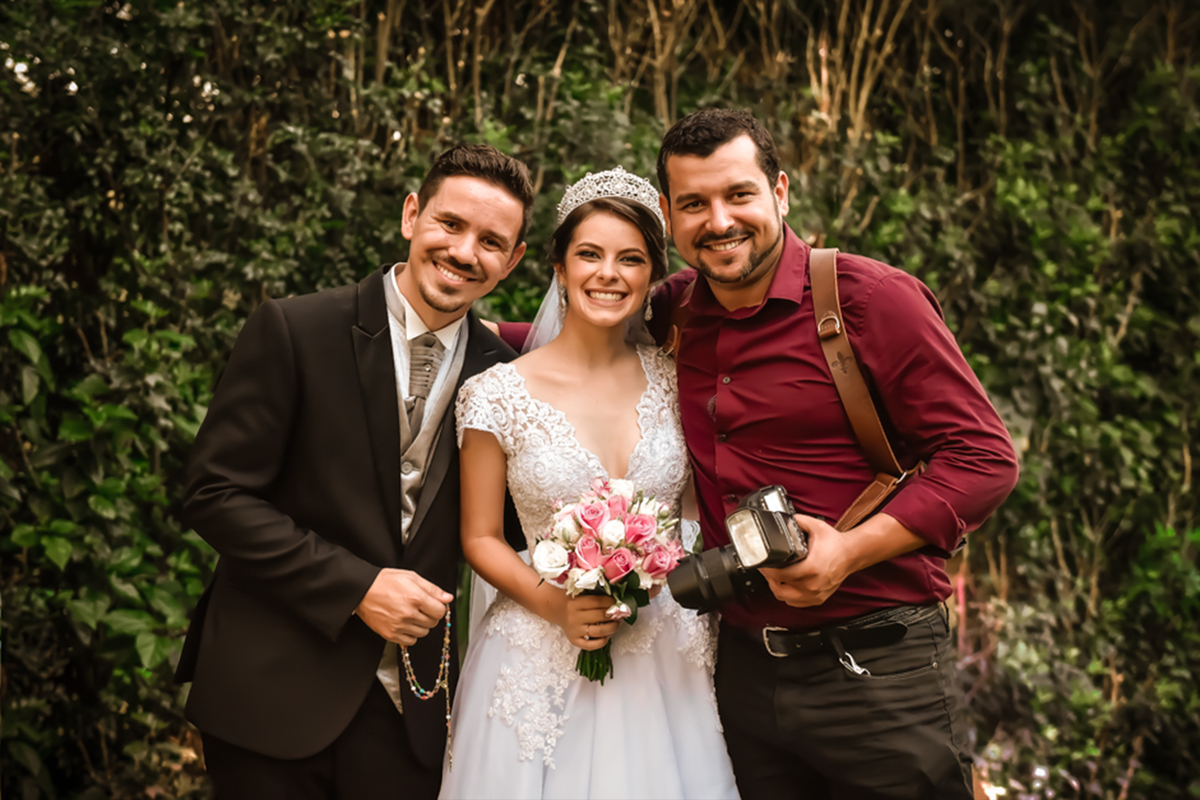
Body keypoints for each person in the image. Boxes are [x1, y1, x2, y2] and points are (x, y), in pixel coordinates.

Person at [644, 108, 1021, 799]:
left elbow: (984, 458)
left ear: (780, 192)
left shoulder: (872, 301)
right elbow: (568, 343)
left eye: (739, 195)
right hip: (741, 682)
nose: (719, 221)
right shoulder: (672, 313)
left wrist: (849, 551)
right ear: (668, 215)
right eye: (694, 204)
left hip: (882, 671)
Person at [175, 143, 533, 799]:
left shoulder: (507, 376)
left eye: (490, 241)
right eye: (450, 224)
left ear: (511, 262)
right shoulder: (296, 327)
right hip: (271, 688)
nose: (462, 252)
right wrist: (357, 587)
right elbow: (214, 493)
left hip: (412, 710)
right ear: (411, 215)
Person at [440, 167, 739, 799]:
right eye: (589, 255)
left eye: (630, 259)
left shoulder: (678, 378)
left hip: (665, 648)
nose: (609, 273)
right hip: (538, 647)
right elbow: (481, 538)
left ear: (652, 276)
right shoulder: (494, 396)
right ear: (558, 265)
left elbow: (691, 512)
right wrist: (556, 605)